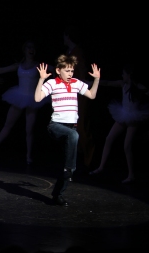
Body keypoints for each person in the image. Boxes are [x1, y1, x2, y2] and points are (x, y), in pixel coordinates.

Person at [34, 55, 101, 206]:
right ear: (58, 70)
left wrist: (96, 80)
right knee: (73, 137)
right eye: (67, 70)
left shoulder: (76, 83)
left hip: (71, 128)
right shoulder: (52, 83)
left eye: (72, 70)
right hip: (56, 126)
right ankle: (69, 168)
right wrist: (41, 79)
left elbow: (91, 95)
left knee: (67, 159)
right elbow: (37, 98)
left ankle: (58, 194)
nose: (70, 73)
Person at [0, 40, 51, 165]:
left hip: (33, 98)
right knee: (8, 124)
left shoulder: (39, 65)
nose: (31, 49)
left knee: (29, 129)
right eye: (28, 47)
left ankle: (28, 156)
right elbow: (3, 69)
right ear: (24, 50)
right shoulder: (19, 65)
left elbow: (55, 69)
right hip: (19, 96)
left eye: (33, 47)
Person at [89, 65, 149, 183]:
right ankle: (101, 167)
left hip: (134, 117)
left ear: (129, 75)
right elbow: (107, 83)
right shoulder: (122, 84)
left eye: (123, 73)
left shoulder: (138, 87)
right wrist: (92, 81)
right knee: (109, 138)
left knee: (127, 145)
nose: (122, 75)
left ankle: (131, 175)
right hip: (123, 114)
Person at [64, 25, 95, 170]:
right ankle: (76, 159)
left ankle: (89, 160)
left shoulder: (77, 52)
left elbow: (81, 71)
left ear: (68, 37)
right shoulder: (70, 52)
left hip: (79, 92)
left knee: (81, 125)